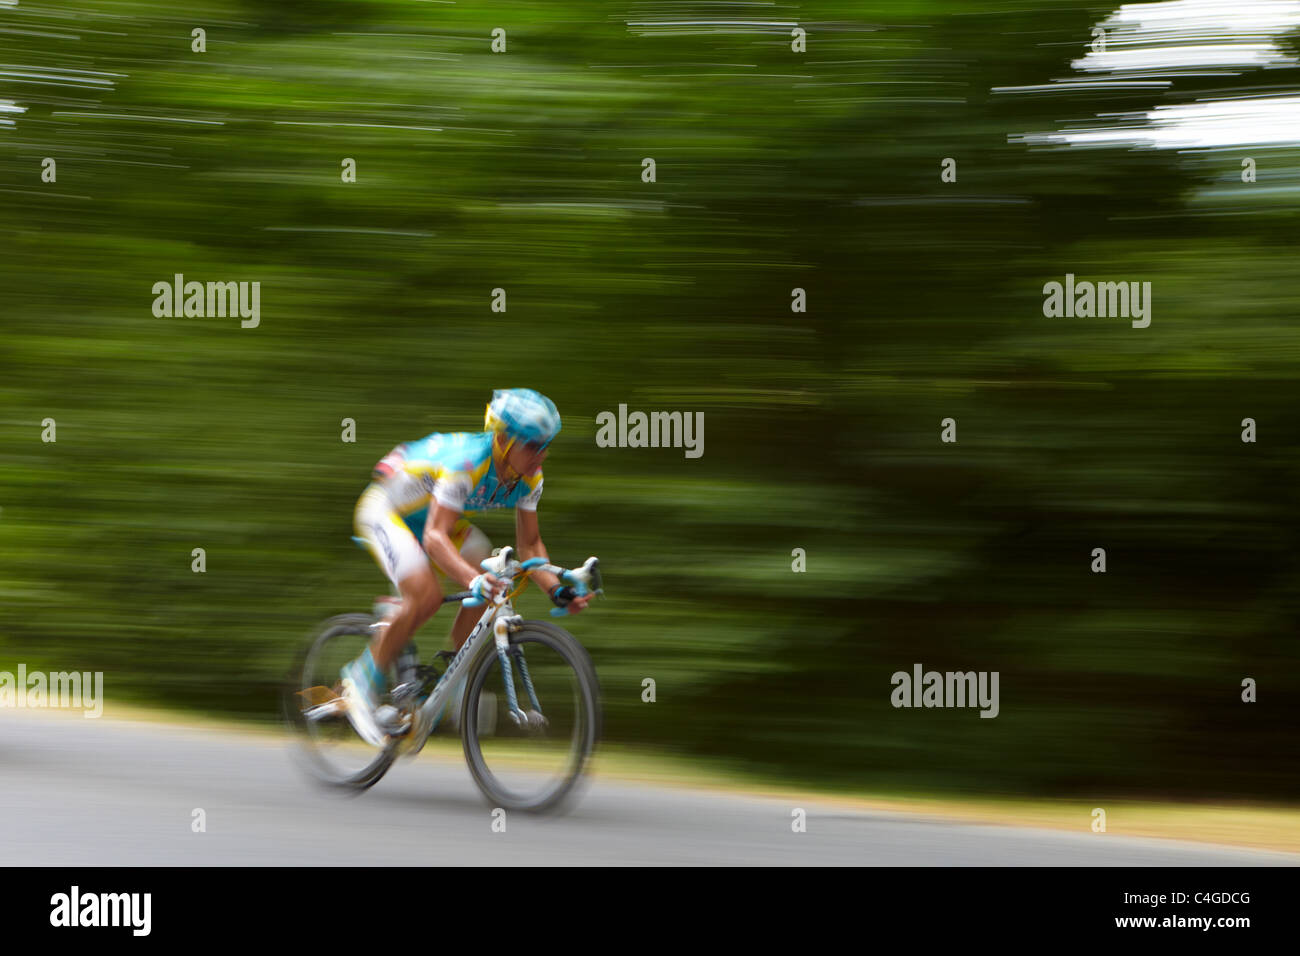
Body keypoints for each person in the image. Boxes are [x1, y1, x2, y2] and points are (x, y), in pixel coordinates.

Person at [341, 388, 593, 746]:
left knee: (489, 566)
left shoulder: (529, 478)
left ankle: (451, 675)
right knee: (427, 596)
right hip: (387, 512)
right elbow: (435, 538)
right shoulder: (468, 464)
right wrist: (472, 579)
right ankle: (361, 680)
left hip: (431, 517)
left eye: (546, 445)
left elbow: (529, 546)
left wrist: (556, 588)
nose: (543, 454)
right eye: (534, 445)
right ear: (504, 441)